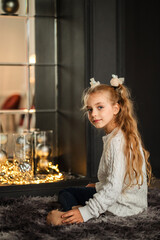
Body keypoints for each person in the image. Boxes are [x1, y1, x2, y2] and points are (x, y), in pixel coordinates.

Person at [46, 74, 152, 225]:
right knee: (69, 191)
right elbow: (118, 177)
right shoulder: (116, 135)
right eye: (90, 109)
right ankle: (76, 210)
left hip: (124, 206)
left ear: (116, 109)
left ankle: (70, 217)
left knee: (67, 193)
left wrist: (86, 212)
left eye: (100, 107)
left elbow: (114, 189)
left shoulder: (118, 141)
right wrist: (98, 186)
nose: (93, 114)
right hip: (129, 202)